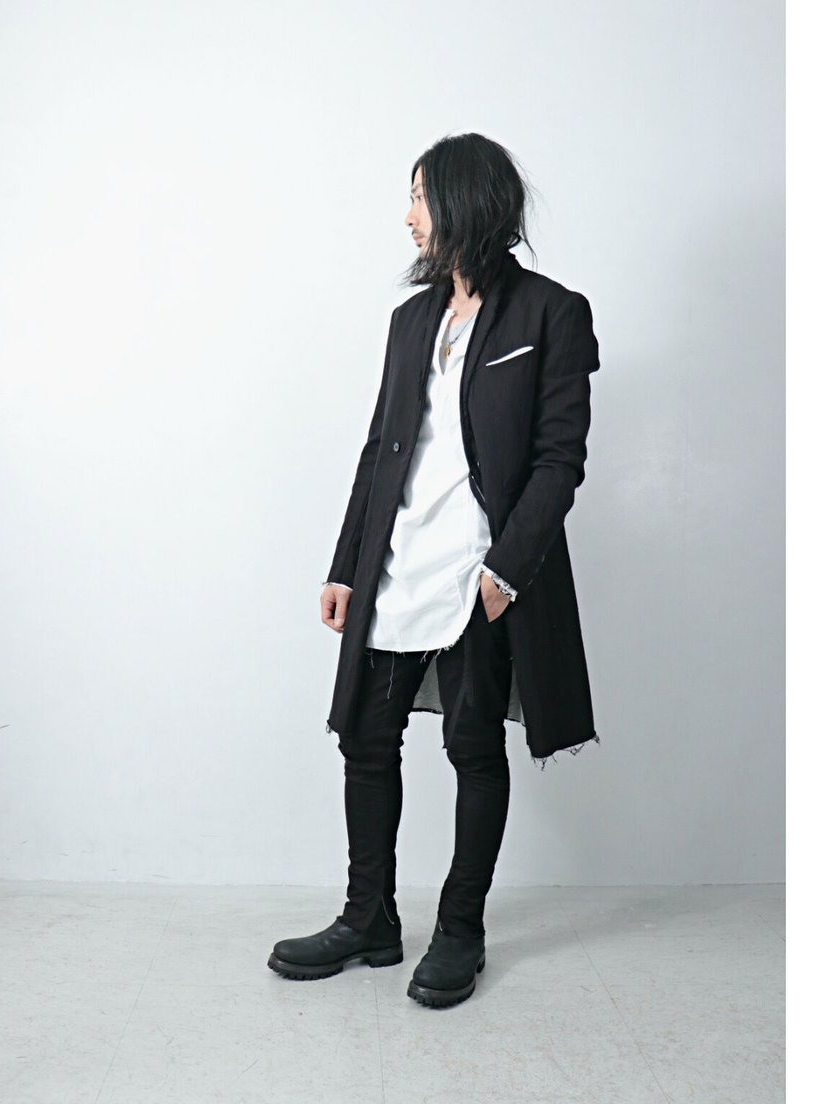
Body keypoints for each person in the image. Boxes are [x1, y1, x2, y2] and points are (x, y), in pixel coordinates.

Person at [268, 133, 602, 1008]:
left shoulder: (551, 314)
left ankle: (461, 931)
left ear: (463, 201)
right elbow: (381, 451)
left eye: (418, 196)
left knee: (471, 744)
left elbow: (559, 461)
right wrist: (347, 565)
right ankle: (368, 919)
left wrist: (505, 573)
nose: (408, 216)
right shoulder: (411, 320)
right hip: (397, 561)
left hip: (476, 572)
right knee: (365, 738)